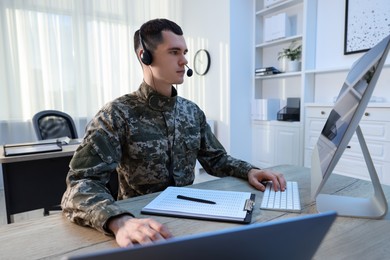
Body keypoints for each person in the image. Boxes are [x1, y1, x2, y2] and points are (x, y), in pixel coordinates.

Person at [61, 18, 286, 248]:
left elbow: (216, 159)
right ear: (144, 56)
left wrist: (249, 170)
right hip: (141, 227)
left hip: (191, 220)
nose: (184, 60)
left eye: (185, 51)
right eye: (174, 52)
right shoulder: (116, 114)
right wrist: (118, 221)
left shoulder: (192, 112)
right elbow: (80, 183)